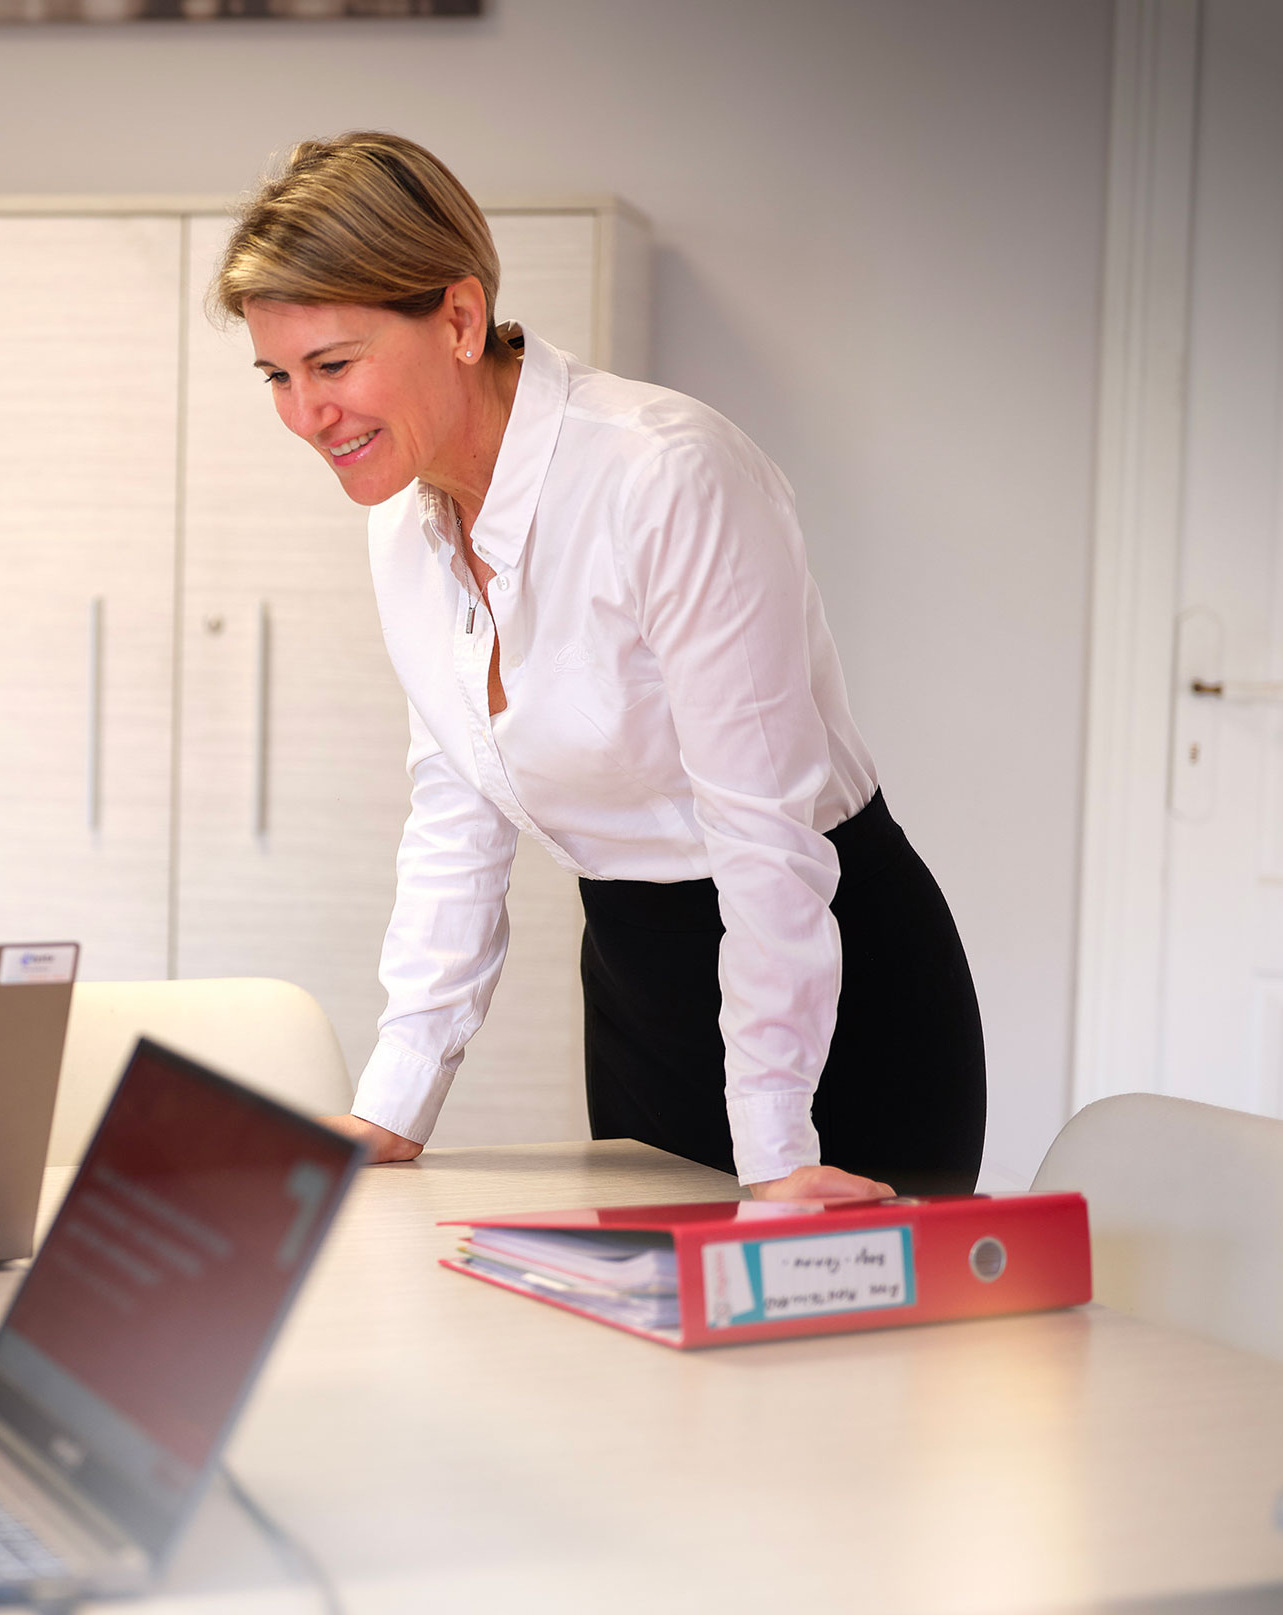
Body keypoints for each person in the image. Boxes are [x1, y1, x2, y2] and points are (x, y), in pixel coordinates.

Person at [214, 134, 985, 1199]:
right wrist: (393, 1102)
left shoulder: (663, 478)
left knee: (834, 1312)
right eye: (278, 376)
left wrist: (777, 1148)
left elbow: (764, 831)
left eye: (333, 366)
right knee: (643, 1311)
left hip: (829, 999)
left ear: (459, 319)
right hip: (637, 987)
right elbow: (456, 809)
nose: (307, 416)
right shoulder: (403, 523)